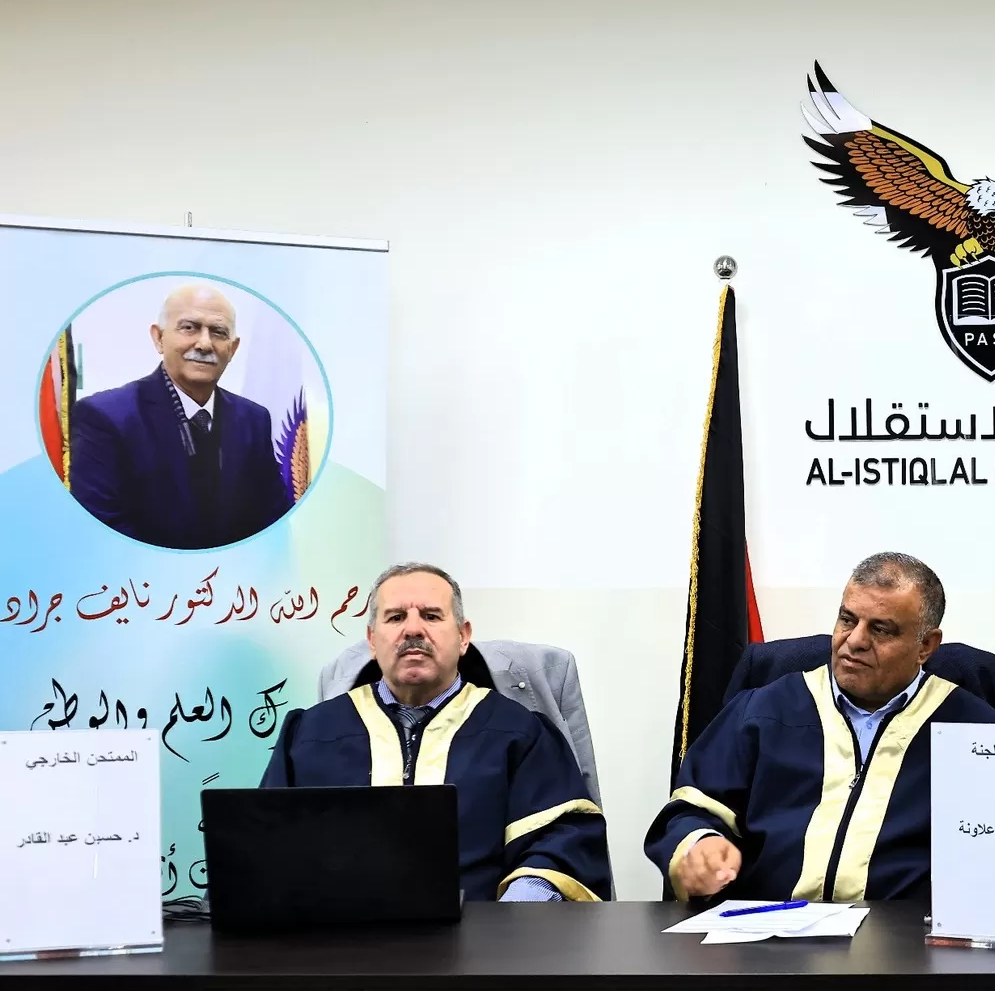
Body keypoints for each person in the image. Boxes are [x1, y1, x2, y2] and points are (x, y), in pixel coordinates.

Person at [649, 551, 995, 910]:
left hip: (907, 955)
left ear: (926, 645)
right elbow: (692, 808)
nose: (855, 641)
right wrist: (697, 844)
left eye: (880, 629)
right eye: (847, 619)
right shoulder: (763, 710)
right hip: (764, 946)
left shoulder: (978, 730)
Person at [261, 562, 612, 902]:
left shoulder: (520, 732)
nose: (413, 630)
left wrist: (515, 914)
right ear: (372, 640)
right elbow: (267, 845)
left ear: (463, 636)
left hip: (481, 935)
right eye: (396, 617)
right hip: (337, 936)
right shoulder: (308, 735)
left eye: (431, 616)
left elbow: (561, 839)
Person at [68, 286, 295, 550]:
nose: (204, 344)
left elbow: (274, 519)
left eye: (218, 332)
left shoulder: (254, 419)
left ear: (233, 349)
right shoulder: (104, 417)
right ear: (159, 338)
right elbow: (102, 530)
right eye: (189, 328)